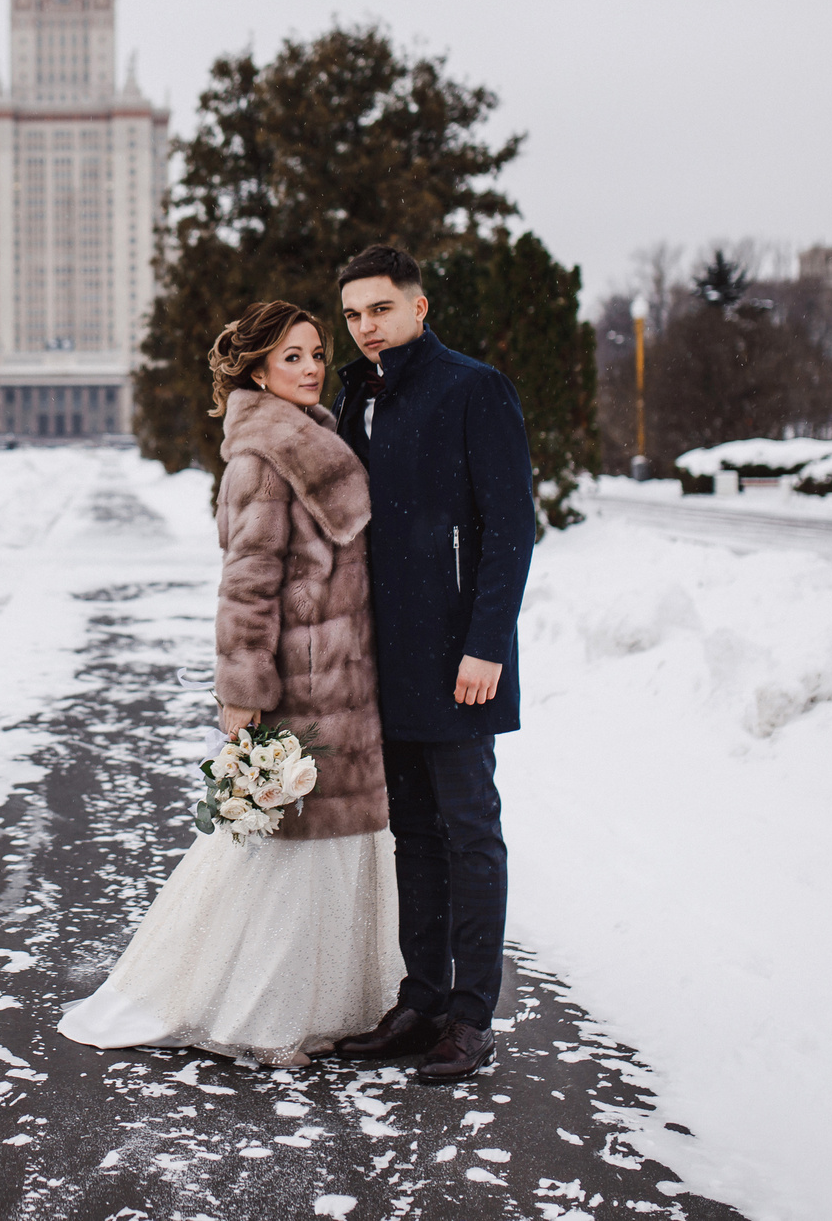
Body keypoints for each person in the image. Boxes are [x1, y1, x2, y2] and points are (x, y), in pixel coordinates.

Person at [58, 300, 399, 1065]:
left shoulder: (318, 437)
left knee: (336, 848)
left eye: (316, 352)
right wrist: (242, 695)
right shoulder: (263, 456)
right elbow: (246, 586)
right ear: (257, 370)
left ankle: (335, 1001)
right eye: (292, 357)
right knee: (288, 852)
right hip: (302, 685)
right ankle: (263, 1013)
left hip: (345, 679)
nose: (312, 367)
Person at [323, 243, 536, 1083]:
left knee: (469, 830)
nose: (366, 327)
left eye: (379, 308)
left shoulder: (472, 387)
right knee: (414, 833)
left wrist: (486, 642)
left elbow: (510, 525)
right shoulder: (359, 395)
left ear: (417, 306)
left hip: (460, 659)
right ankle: (422, 999)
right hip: (387, 659)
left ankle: (471, 1015)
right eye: (352, 314)